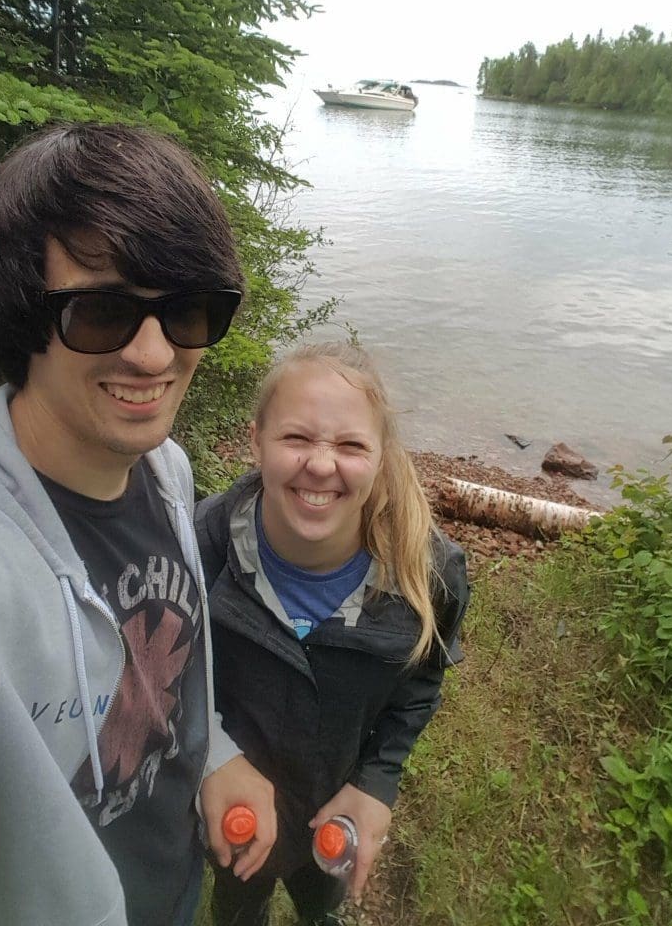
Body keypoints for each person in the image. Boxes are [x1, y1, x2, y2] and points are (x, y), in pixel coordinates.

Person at [0, 122, 277, 926]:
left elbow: (158, 670)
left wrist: (216, 755)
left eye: (186, 311)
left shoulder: (165, 470)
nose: (152, 353)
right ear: (24, 315)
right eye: (102, 313)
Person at [195, 341, 470, 926]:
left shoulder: (427, 575)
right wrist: (212, 756)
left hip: (335, 811)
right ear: (256, 443)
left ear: (379, 456)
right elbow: (169, 672)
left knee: (324, 908)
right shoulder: (204, 544)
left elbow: (419, 686)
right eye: (297, 438)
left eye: (350, 445)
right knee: (238, 907)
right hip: (238, 806)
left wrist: (377, 780)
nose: (321, 465)